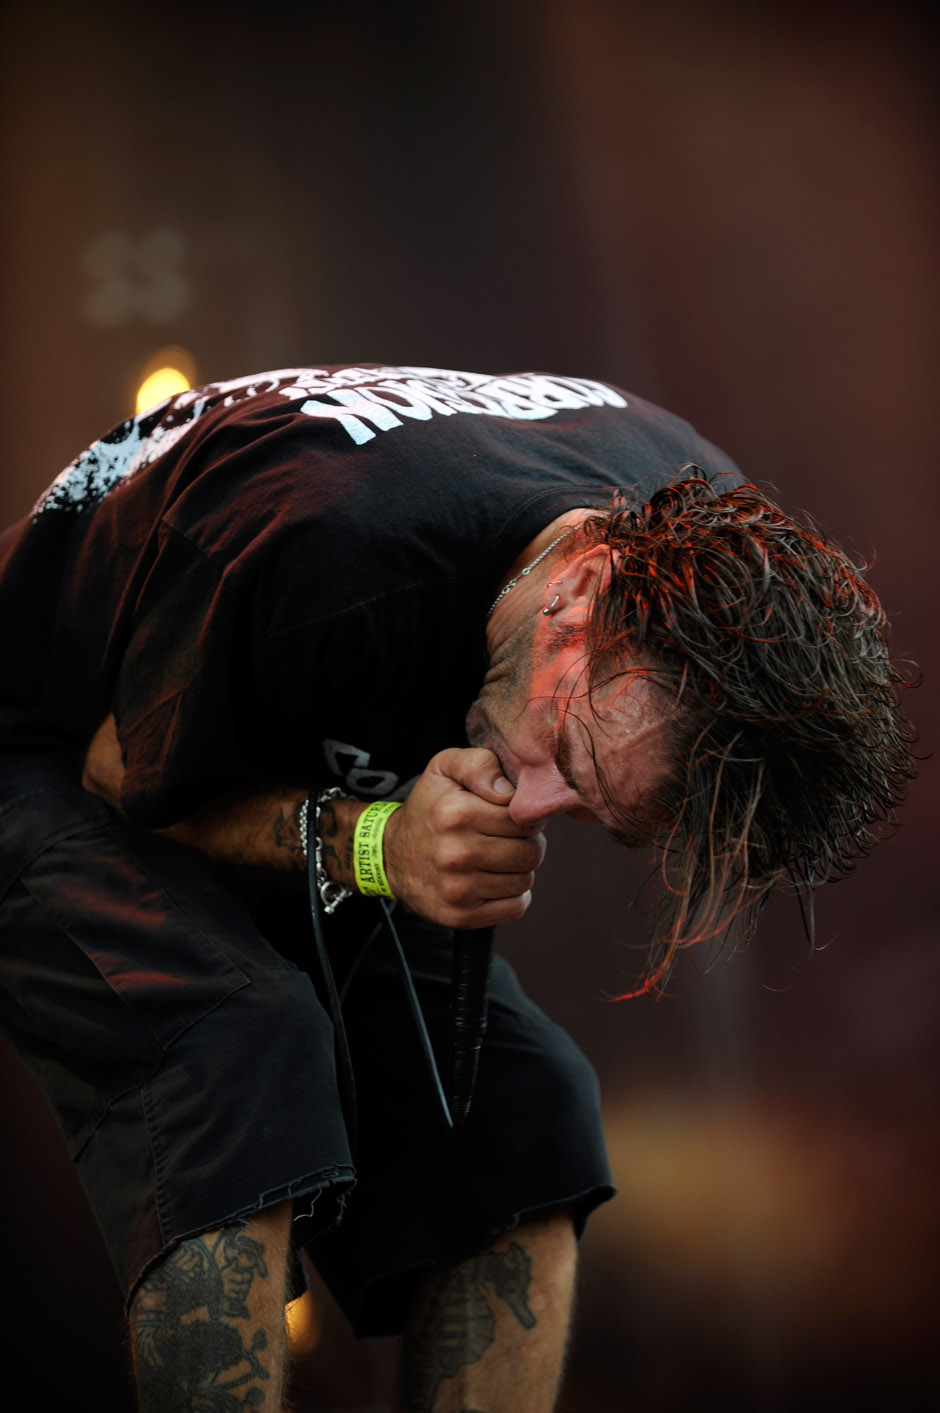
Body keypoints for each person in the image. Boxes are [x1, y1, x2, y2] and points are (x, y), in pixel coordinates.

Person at [0, 364, 914, 1411]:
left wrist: (391, 835)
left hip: (282, 745)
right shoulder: (331, 546)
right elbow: (121, 773)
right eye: (566, 756)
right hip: (48, 751)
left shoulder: (717, 551)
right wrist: (376, 844)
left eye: (591, 811)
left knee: (529, 1114)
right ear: (579, 594)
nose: (530, 807)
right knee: (240, 1043)